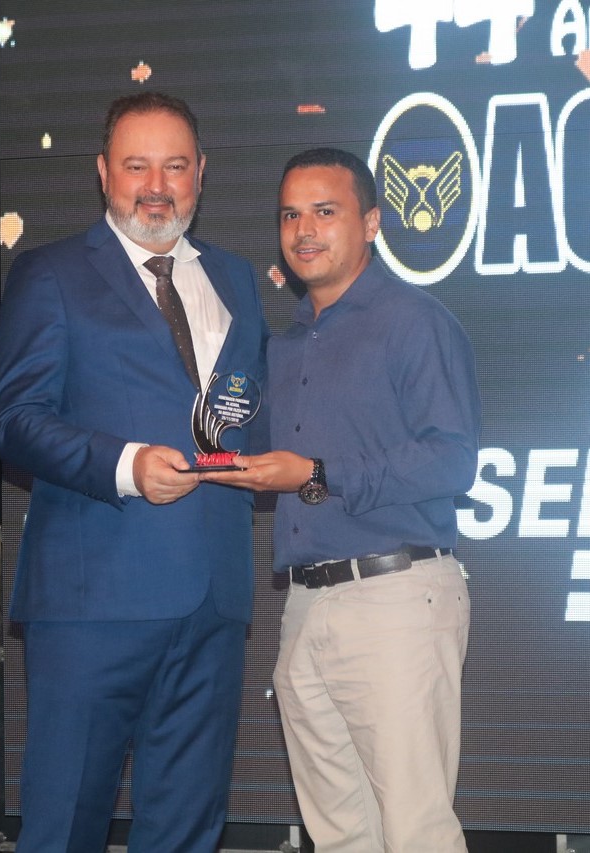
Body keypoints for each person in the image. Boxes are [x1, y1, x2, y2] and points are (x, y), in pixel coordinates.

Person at [0, 92, 267, 853]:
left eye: (174, 166)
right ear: (103, 172)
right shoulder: (50, 273)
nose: (156, 185)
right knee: (64, 827)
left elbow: (247, 411)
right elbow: (14, 418)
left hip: (212, 602)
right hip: (93, 603)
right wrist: (125, 464)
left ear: (201, 172)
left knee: (186, 828)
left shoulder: (236, 279)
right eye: (136, 165)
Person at [201, 148, 481, 852]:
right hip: (304, 603)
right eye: (290, 214)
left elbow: (451, 458)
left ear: (372, 223)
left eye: (325, 211)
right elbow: (270, 461)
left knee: (415, 831)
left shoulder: (414, 320)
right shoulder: (284, 347)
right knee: (338, 835)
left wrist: (316, 471)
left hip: (396, 595)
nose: (304, 230)